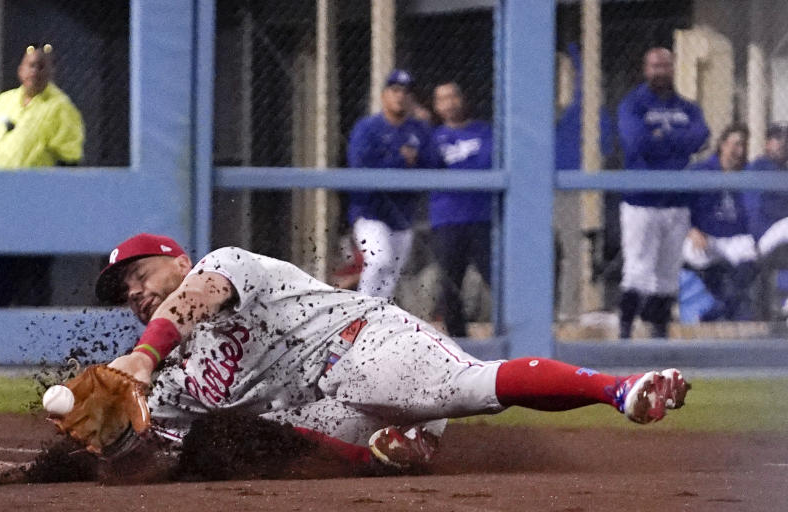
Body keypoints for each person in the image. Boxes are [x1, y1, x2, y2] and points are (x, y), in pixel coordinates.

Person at [86, 232, 689, 472]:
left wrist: (139, 358)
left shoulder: (222, 266)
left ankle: (620, 388)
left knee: (469, 389)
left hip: (364, 346)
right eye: (123, 293)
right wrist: (92, 441)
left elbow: (186, 307)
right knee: (262, 445)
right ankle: (411, 443)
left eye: (140, 275)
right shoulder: (171, 381)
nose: (134, 293)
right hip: (321, 409)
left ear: (179, 261)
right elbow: (148, 454)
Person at [616, 47, 710, 338]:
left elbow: (701, 137)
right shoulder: (633, 104)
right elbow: (636, 142)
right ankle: (624, 334)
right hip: (641, 201)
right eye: (655, 66)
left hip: (676, 201)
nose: (660, 71)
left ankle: (659, 335)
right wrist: (678, 143)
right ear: (646, 69)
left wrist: (661, 137)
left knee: (668, 274)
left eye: (665, 66)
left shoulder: (688, 107)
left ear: (673, 68)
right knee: (637, 270)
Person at [346, 69, 433, 299]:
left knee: (391, 276)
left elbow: (434, 163)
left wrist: (418, 153)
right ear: (384, 95)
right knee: (379, 261)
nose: (401, 96)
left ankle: (377, 323)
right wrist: (400, 159)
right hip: (370, 212)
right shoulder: (367, 128)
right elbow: (359, 165)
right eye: (395, 90)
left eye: (406, 91)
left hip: (403, 214)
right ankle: (361, 314)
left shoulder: (419, 129)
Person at [427, 81, 493, 337]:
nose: (449, 102)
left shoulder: (484, 132)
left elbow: (487, 164)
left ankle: (510, 335)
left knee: (495, 279)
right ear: (435, 106)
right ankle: (458, 340)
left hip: (482, 217)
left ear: (463, 99)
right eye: (442, 99)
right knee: (450, 284)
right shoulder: (432, 138)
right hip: (447, 220)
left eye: (454, 96)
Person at [682, 123, 757, 321]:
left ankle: (723, 308)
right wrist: (691, 230)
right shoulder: (701, 171)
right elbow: (679, 207)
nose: (739, 151)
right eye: (735, 144)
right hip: (706, 237)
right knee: (693, 252)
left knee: (750, 255)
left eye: (744, 146)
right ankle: (720, 304)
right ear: (722, 145)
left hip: (735, 238)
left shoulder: (748, 173)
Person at [0, 43, 85, 168]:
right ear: (21, 69)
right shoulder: (3, 100)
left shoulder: (62, 107)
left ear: (51, 72)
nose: (34, 71)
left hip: (34, 185)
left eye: (41, 67)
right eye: (31, 65)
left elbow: (70, 159)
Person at [744, 122, 788, 318]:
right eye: (779, 139)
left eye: (786, 139)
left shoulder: (783, 171)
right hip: (763, 236)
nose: (784, 143)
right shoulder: (758, 167)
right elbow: (758, 212)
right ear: (767, 143)